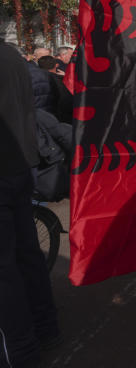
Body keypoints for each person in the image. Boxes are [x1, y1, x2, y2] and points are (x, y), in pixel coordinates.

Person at [0, 38, 61, 367]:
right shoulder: (11, 55)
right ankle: (45, 326)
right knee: (26, 255)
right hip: (21, 168)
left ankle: (19, 352)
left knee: (6, 270)